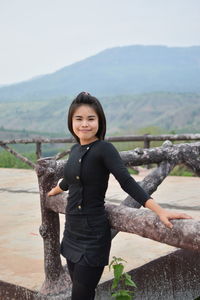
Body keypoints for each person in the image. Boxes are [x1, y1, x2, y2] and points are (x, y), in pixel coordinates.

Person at [47, 92, 191, 300]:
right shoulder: (75, 149)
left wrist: (160, 211)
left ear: (99, 121)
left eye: (91, 118)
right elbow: (71, 179)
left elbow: (127, 182)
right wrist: (55, 191)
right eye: (79, 119)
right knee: (77, 290)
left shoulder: (104, 149)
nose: (84, 124)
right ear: (71, 122)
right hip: (72, 230)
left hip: (93, 234)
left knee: (81, 294)